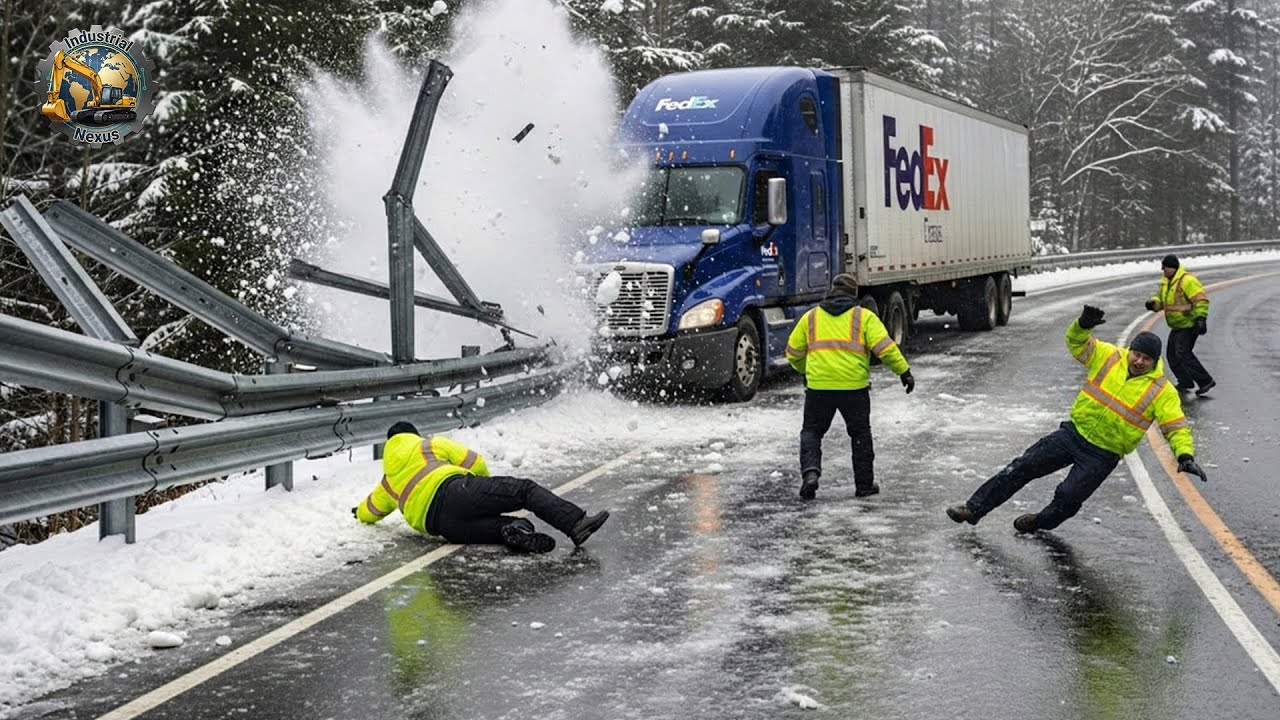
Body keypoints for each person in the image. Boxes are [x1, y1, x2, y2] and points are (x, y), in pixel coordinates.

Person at [946, 305, 1207, 533]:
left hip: (1103, 455)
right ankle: (973, 508)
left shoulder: (1161, 390)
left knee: (1068, 497)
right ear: (1130, 350)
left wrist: (1185, 456)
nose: (1139, 361)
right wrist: (1082, 325)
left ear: (1155, 361)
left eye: (1146, 359)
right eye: (1136, 354)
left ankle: (1039, 522)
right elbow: (1077, 344)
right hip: (1072, 435)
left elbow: (1175, 427)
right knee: (1021, 467)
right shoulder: (1109, 356)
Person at [353, 422, 609, 553]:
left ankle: (516, 531)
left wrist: (358, 512)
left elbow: (370, 510)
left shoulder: (387, 482)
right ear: (414, 435)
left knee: (507, 526)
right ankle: (576, 523)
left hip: (442, 527)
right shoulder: (429, 445)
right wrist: (484, 488)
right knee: (524, 491)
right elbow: (476, 461)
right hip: (457, 492)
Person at [786, 273, 915, 500]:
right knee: (860, 435)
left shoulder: (811, 317)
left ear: (831, 291)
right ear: (854, 294)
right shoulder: (863, 317)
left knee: (812, 432)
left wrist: (808, 370)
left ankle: (810, 474)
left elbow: (793, 352)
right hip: (854, 388)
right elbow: (885, 348)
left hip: (819, 388)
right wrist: (904, 371)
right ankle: (864, 485)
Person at [1145, 254, 1214, 396]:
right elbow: (1161, 300)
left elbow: (1201, 300)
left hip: (1189, 324)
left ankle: (1205, 381)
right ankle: (1185, 381)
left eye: (1165, 268)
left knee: (1183, 353)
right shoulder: (1166, 282)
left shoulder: (1187, 280)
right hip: (1177, 326)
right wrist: (1153, 303)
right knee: (1172, 355)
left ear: (1172, 268)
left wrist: (1201, 319)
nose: (1163, 271)